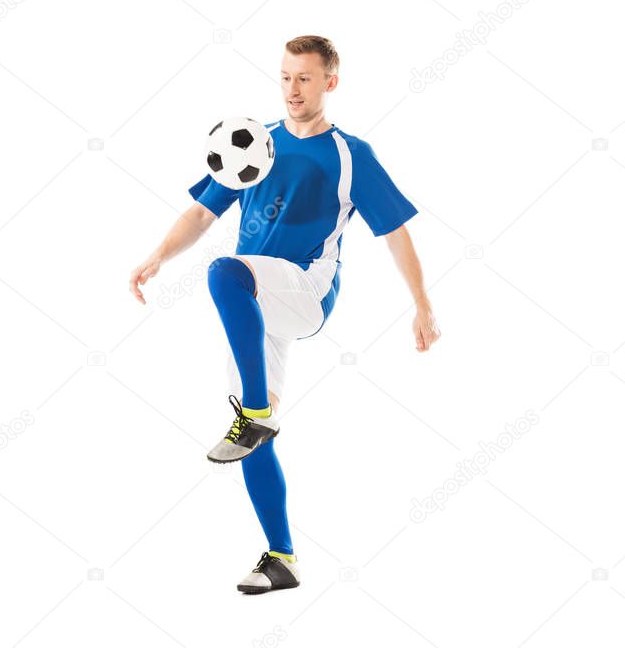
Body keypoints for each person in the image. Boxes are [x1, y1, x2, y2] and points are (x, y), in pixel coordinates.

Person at [128, 35, 441, 594]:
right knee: (253, 434)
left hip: (305, 292)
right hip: (252, 306)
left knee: (225, 272)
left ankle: (255, 409)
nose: (293, 89)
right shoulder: (254, 144)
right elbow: (202, 213)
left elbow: (394, 233)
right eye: (285, 77)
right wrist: (156, 254)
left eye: (305, 78)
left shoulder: (351, 155)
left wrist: (422, 304)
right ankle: (281, 558)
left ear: (330, 82)